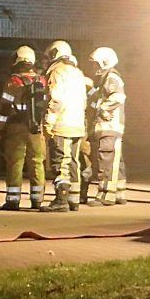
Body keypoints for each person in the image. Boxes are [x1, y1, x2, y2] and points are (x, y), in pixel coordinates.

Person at [40, 40, 94, 212]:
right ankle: (74, 199)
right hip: (77, 124)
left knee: (60, 163)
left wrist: (49, 122)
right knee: (73, 162)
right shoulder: (78, 73)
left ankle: (61, 200)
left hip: (62, 124)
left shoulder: (57, 72)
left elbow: (56, 99)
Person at [0, 45, 48, 210]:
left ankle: (13, 200)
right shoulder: (41, 80)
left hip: (16, 127)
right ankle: (37, 199)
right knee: (37, 162)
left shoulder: (13, 81)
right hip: (37, 128)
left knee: (15, 162)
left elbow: (4, 107)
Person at [86, 46, 127, 206]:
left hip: (110, 125)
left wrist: (102, 109)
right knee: (116, 159)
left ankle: (106, 196)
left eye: (95, 63)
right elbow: (96, 97)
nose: (93, 67)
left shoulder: (111, 78)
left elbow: (117, 97)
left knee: (107, 158)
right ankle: (119, 193)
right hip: (109, 126)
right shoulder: (105, 79)